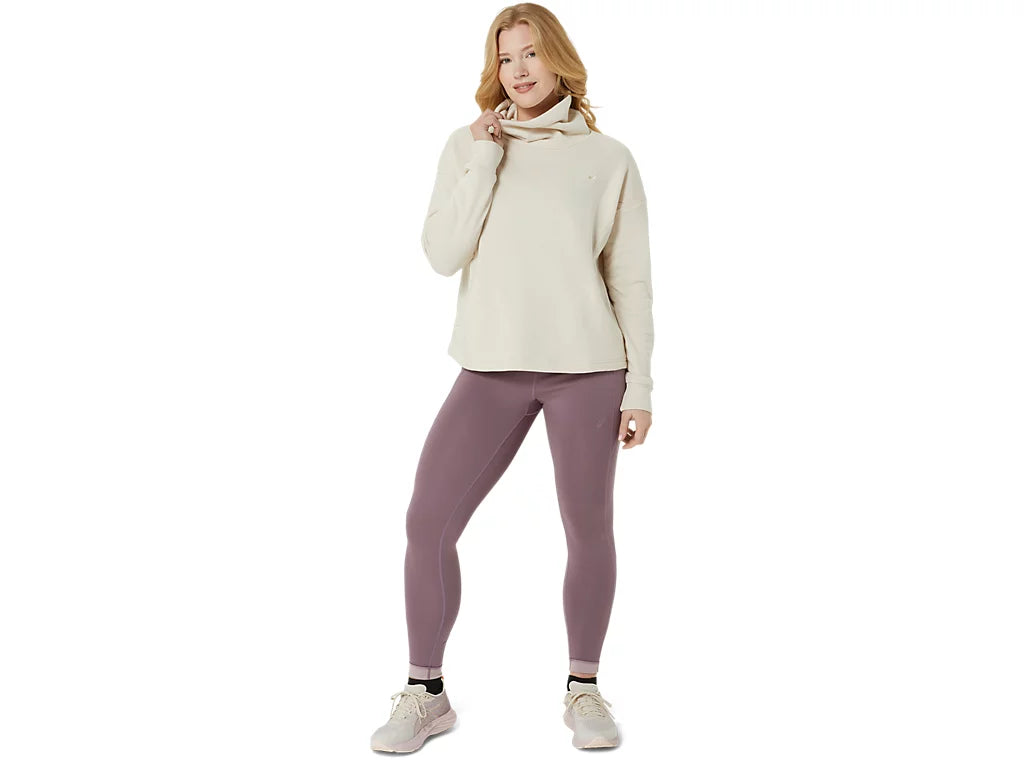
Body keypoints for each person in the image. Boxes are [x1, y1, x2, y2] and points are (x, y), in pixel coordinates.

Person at [371, 3, 654, 753]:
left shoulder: (608, 158)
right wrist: (486, 159)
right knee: (428, 521)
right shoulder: (467, 147)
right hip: (491, 366)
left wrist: (641, 386)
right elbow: (443, 253)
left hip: (588, 369)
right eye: (505, 57)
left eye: (531, 53)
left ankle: (584, 690)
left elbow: (630, 280)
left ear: (558, 58)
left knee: (588, 528)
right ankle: (426, 693)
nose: (519, 70)